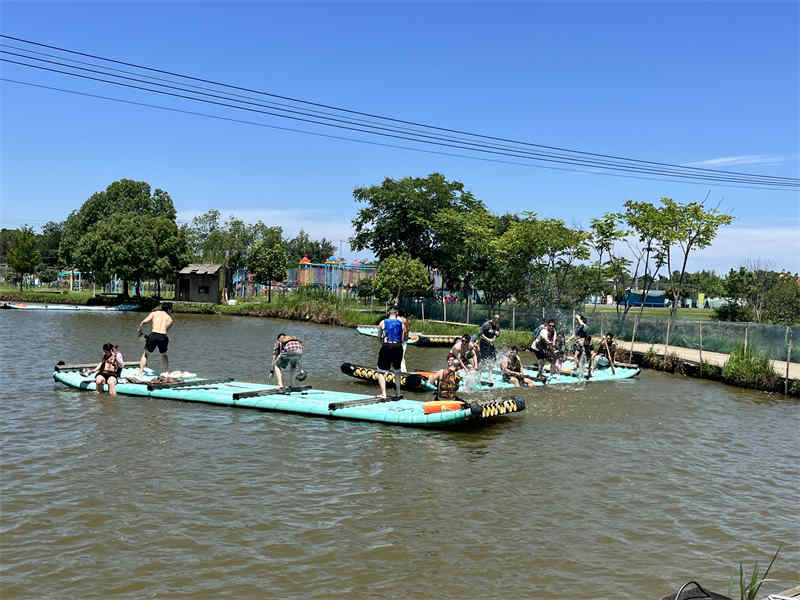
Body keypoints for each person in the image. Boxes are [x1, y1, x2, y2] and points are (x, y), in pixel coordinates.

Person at [136, 302, 174, 375]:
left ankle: (140, 372)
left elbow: (143, 322)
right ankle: (166, 372)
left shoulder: (154, 313)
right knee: (164, 354)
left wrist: (139, 330)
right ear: (169, 310)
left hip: (153, 335)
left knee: (146, 354)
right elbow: (165, 331)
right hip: (163, 336)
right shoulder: (170, 319)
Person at [376, 307, 404, 399]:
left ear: (388, 313)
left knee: (380, 372)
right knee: (397, 371)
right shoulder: (402, 324)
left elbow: (379, 337)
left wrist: (382, 345)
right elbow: (402, 339)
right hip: (398, 347)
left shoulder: (382, 322)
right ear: (397, 313)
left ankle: (384, 394)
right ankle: (398, 393)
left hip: (387, 346)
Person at [573, 313, 593, 378]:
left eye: (580, 320)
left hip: (587, 344)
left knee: (589, 358)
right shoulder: (579, 327)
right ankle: (577, 368)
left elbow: (582, 324)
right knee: (577, 356)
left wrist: (578, 318)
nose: (578, 321)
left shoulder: (585, 326)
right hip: (580, 344)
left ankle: (589, 372)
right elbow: (576, 334)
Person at [398, 308, 411, 372]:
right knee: (402, 357)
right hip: (405, 341)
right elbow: (407, 331)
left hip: (401, 340)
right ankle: (403, 370)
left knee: (399, 357)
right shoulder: (408, 321)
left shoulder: (400, 320)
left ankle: (403, 371)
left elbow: (403, 330)